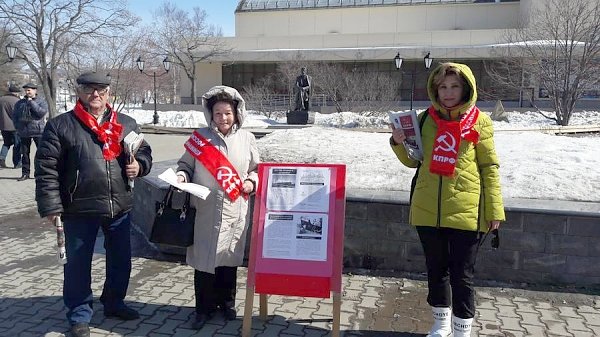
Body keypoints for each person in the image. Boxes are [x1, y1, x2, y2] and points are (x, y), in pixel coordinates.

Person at [390, 62, 505, 337]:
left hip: (467, 211)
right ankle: (441, 324)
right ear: (435, 89)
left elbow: (489, 167)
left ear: (466, 88)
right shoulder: (425, 119)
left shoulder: (480, 121)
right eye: (443, 87)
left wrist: (494, 210)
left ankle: (462, 329)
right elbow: (413, 161)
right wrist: (397, 142)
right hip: (428, 209)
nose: (448, 92)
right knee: (436, 270)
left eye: (454, 86)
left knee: (462, 275)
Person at [34, 72, 152, 337]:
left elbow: (144, 150)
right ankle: (79, 315)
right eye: (89, 89)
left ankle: (114, 302)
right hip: (78, 208)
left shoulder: (126, 122)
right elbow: (46, 169)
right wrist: (52, 207)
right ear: (79, 92)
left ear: (109, 92)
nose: (95, 94)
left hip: (119, 206)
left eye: (101, 89)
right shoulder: (61, 125)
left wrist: (140, 164)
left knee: (121, 261)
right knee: (77, 264)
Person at [175, 85, 259, 330]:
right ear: (210, 114)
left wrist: (250, 182)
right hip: (205, 209)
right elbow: (185, 166)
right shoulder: (199, 138)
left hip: (235, 208)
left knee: (228, 261)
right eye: (218, 113)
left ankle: (227, 304)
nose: (223, 118)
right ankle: (203, 309)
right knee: (204, 263)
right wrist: (181, 176)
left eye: (228, 113)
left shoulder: (247, 138)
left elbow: (256, 170)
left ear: (236, 113)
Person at [13, 82, 48, 181]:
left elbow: (41, 113)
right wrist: (17, 126)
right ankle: (25, 173)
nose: (27, 92)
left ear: (35, 90)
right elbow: (15, 115)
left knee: (41, 153)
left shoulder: (41, 101)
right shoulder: (20, 103)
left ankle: (41, 173)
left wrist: (31, 102)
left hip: (38, 131)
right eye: (26, 90)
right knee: (24, 153)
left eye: (29, 90)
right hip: (24, 131)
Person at [0, 84, 21, 168]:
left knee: (6, 143)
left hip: (3, 126)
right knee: (17, 144)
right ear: (15, 93)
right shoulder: (16, 101)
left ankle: (2, 158)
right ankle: (17, 163)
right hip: (14, 126)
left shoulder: (1, 99)